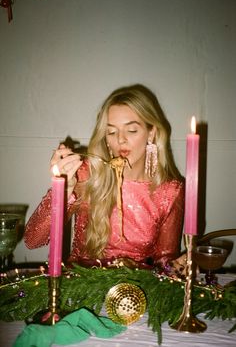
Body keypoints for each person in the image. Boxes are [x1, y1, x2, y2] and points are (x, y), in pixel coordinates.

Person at [24, 84, 185, 274]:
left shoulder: (169, 191)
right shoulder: (86, 175)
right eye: (111, 131)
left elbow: (164, 265)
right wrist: (63, 189)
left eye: (131, 130)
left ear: (151, 133)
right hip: (79, 287)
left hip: (133, 295)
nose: (121, 140)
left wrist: (177, 266)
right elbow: (32, 240)